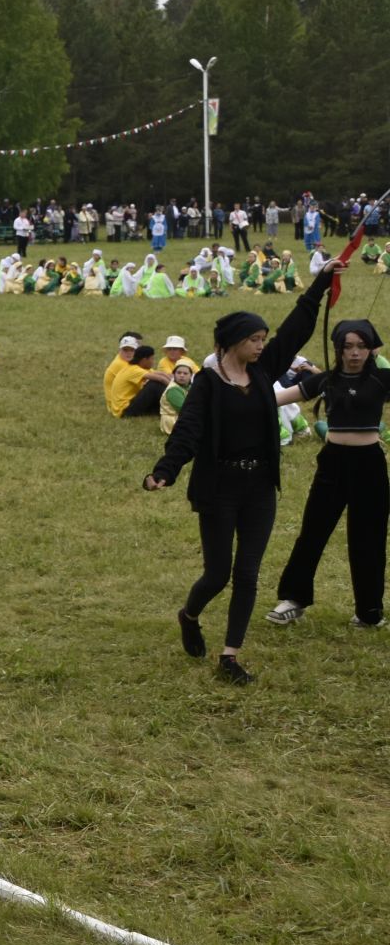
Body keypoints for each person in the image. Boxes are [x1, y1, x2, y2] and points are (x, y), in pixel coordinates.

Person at [145, 264, 335, 684]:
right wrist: (166, 470)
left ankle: (230, 656)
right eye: (254, 340)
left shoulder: (264, 371)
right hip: (220, 487)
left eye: (264, 340)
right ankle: (189, 614)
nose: (262, 346)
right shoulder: (208, 384)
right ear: (233, 343)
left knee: (248, 572)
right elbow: (189, 432)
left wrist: (321, 282)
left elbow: (297, 327)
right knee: (218, 574)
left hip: (259, 486)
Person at [267, 316, 389, 629]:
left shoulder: (382, 379)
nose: (355, 353)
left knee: (369, 539)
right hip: (333, 462)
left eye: (362, 346)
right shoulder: (325, 380)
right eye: (348, 346)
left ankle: (369, 612)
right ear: (338, 349)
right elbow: (276, 398)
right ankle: (293, 600)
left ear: (371, 349)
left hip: (370, 466)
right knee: (313, 532)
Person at [110, 345, 170, 416]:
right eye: (152, 359)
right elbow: (160, 379)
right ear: (144, 360)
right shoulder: (133, 370)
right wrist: (176, 389)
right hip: (124, 410)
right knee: (154, 385)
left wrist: (173, 380)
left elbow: (161, 374)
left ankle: (171, 408)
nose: (153, 361)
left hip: (130, 404)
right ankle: (179, 405)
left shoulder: (138, 367)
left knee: (156, 386)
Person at [159, 356, 196, 434]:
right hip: (173, 420)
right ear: (174, 374)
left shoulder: (188, 386)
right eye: (179, 373)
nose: (182, 375)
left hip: (181, 417)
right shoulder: (173, 389)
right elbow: (183, 409)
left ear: (190, 376)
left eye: (185, 373)